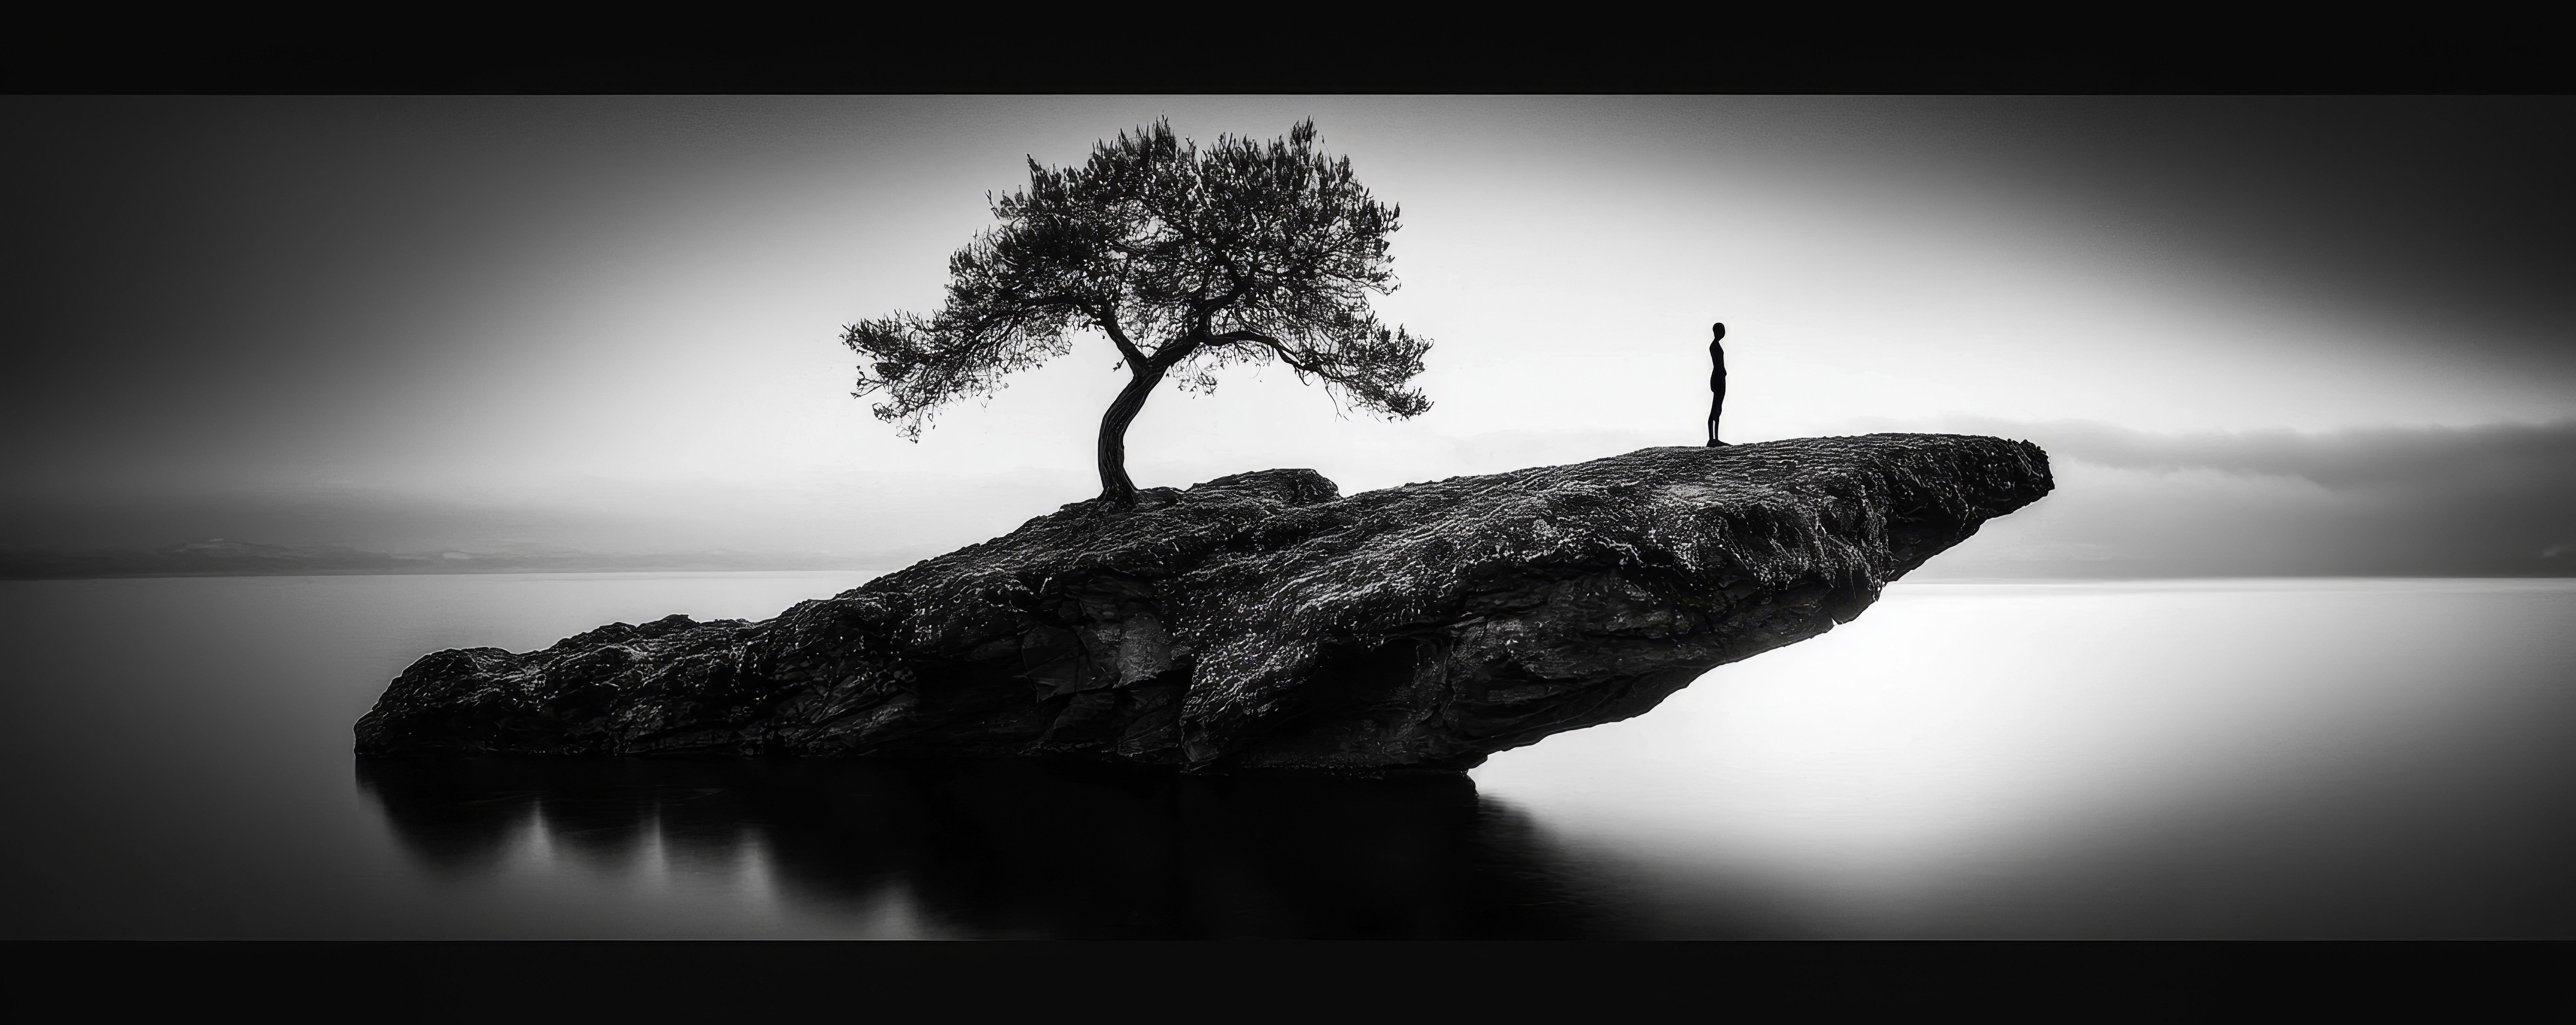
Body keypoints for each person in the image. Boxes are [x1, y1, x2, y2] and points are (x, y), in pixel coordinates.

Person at [1705, 322, 1729, 447]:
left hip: (1720, 377)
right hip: (1718, 378)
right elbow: (1718, 365)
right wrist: (1722, 373)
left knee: (1718, 409)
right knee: (1715, 409)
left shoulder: (1716, 345)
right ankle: (1712, 439)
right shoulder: (1714, 346)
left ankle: (1716, 439)